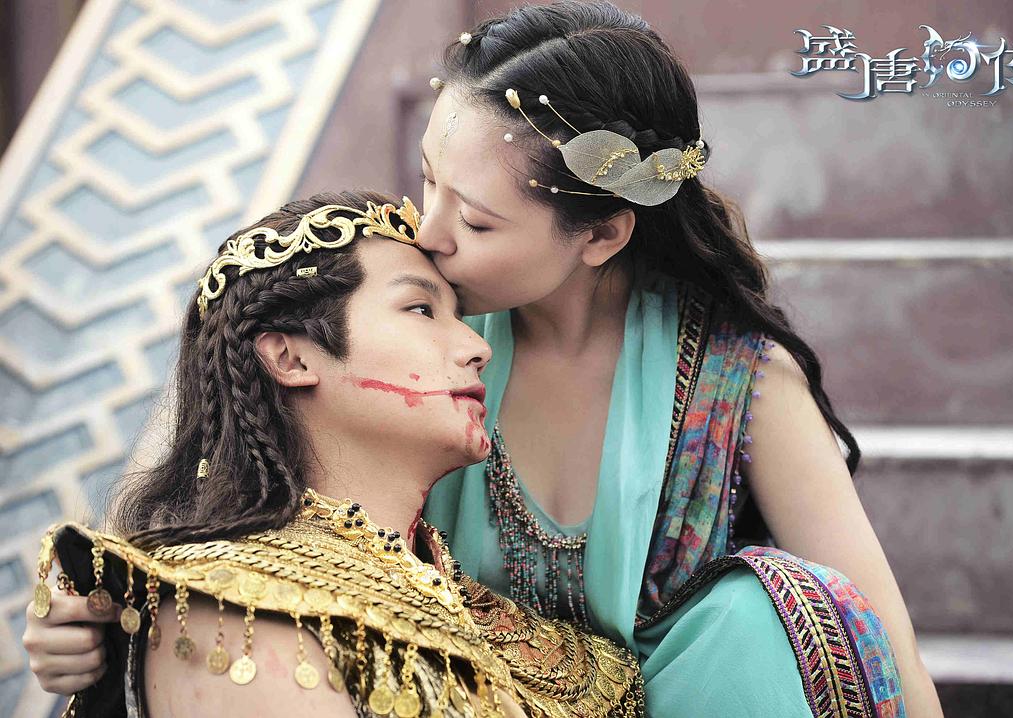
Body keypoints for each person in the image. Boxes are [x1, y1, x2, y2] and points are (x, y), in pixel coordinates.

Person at [416, 2, 940, 716]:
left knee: (753, 618)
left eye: (476, 221)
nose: (428, 234)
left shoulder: (734, 378)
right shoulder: (413, 329)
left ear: (601, 235)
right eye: (427, 179)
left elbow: (887, 647)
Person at [26, 189, 643, 717]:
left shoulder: (485, 603)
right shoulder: (230, 609)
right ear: (291, 357)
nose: (476, 347)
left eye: (458, 314)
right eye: (421, 309)